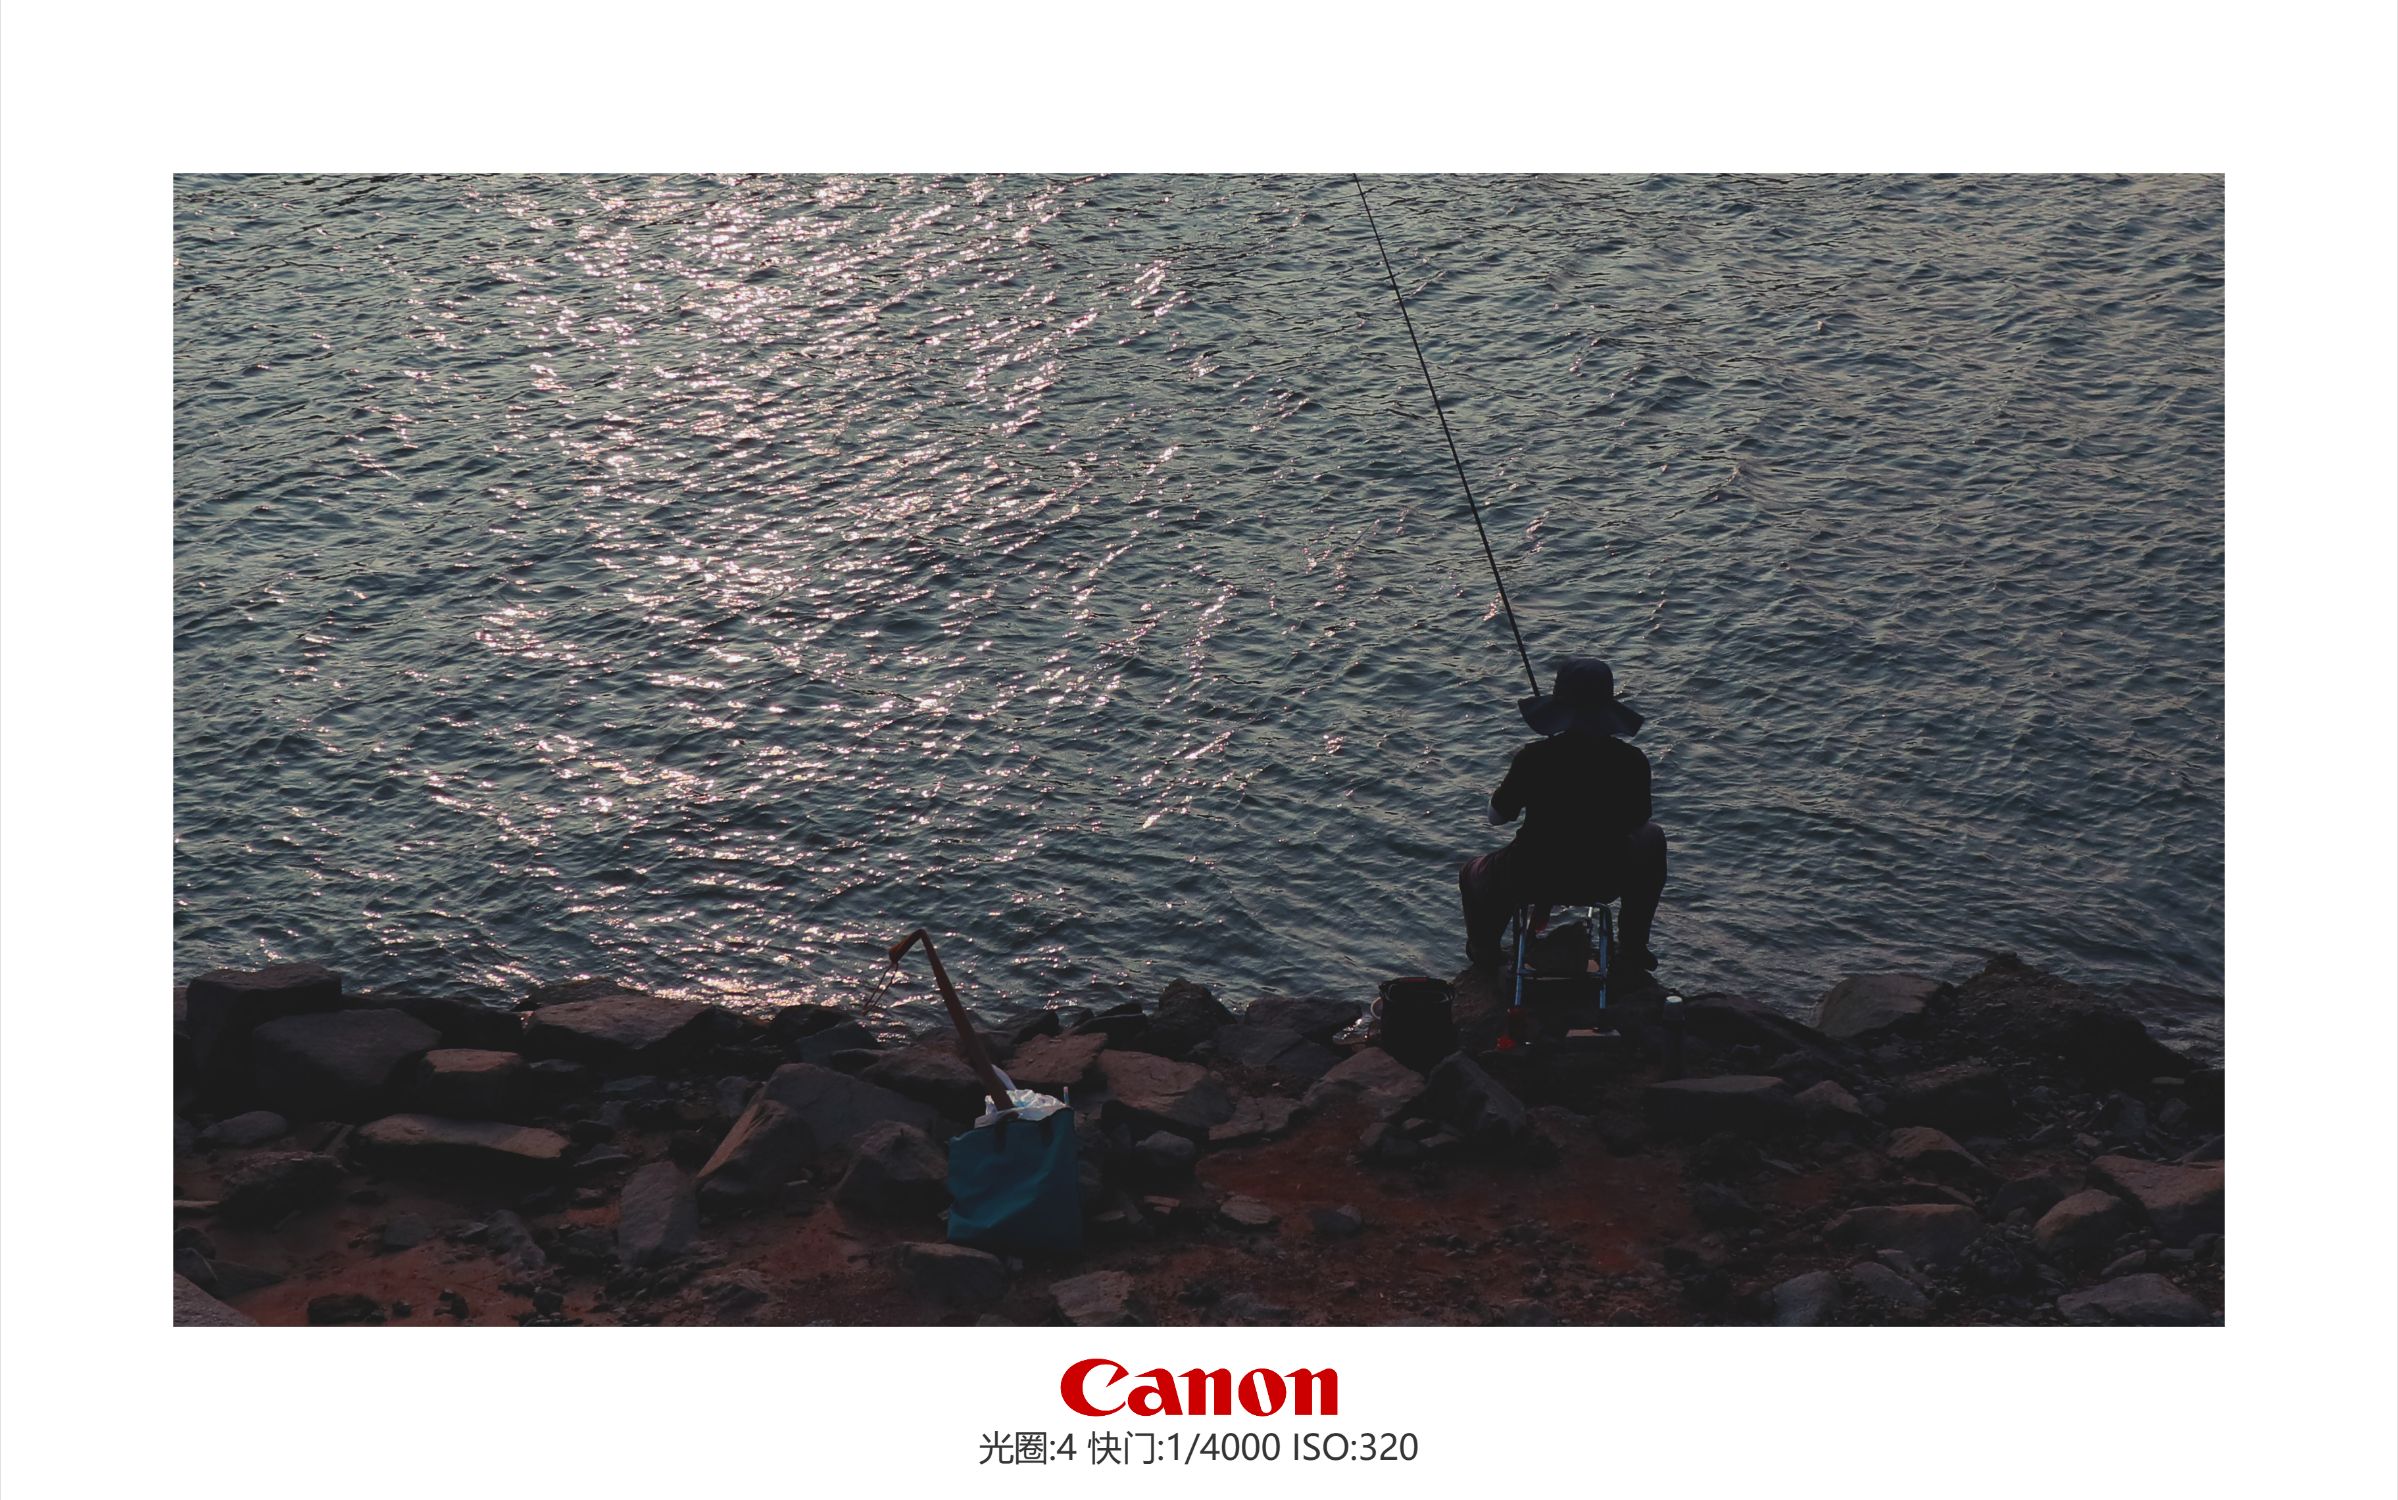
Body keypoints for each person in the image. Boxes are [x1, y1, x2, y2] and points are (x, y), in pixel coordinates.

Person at [1458, 657, 1668, 972]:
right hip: (1605, 878)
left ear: (1560, 710)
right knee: (1653, 837)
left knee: (1471, 873)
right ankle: (1633, 948)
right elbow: (1639, 821)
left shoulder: (1534, 758)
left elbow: (1497, 817)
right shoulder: (1633, 761)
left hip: (1531, 875)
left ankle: (1485, 953)